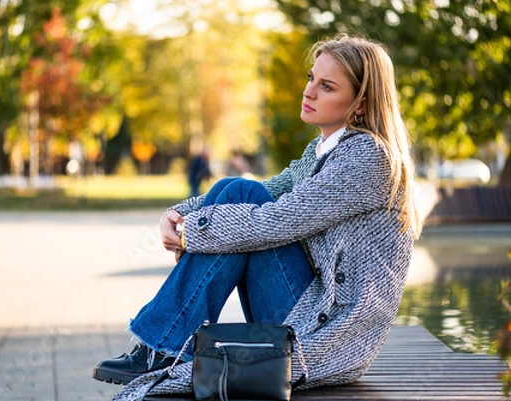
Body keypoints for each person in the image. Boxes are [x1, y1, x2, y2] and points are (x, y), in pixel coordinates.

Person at [93, 34, 423, 399]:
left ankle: (163, 347)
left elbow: (279, 220)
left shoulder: (366, 157)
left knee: (239, 195)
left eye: (326, 86)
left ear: (361, 103)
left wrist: (192, 233)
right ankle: (163, 346)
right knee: (236, 189)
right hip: (306, 311)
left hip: (326, 334)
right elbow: (274, 187)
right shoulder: (324, 149)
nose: (309, 92)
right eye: (311, 78)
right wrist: (178, 213)